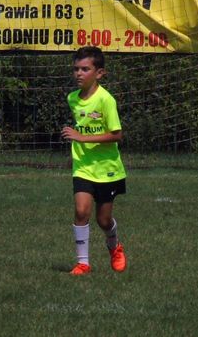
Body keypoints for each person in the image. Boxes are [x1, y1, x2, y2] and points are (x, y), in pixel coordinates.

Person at [61, 46, 127, 275]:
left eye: (85, 69)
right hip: (83, 167)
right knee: (81, 212)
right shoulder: (72, 98)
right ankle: (83, 263)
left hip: (107, 169)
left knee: (103, 220)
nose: (79, 73)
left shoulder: (106, 100)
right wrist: (77, 147)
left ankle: (115, 247)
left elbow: (116, 135)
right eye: (76, 69)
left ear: (99, 73)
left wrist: (81, 137)